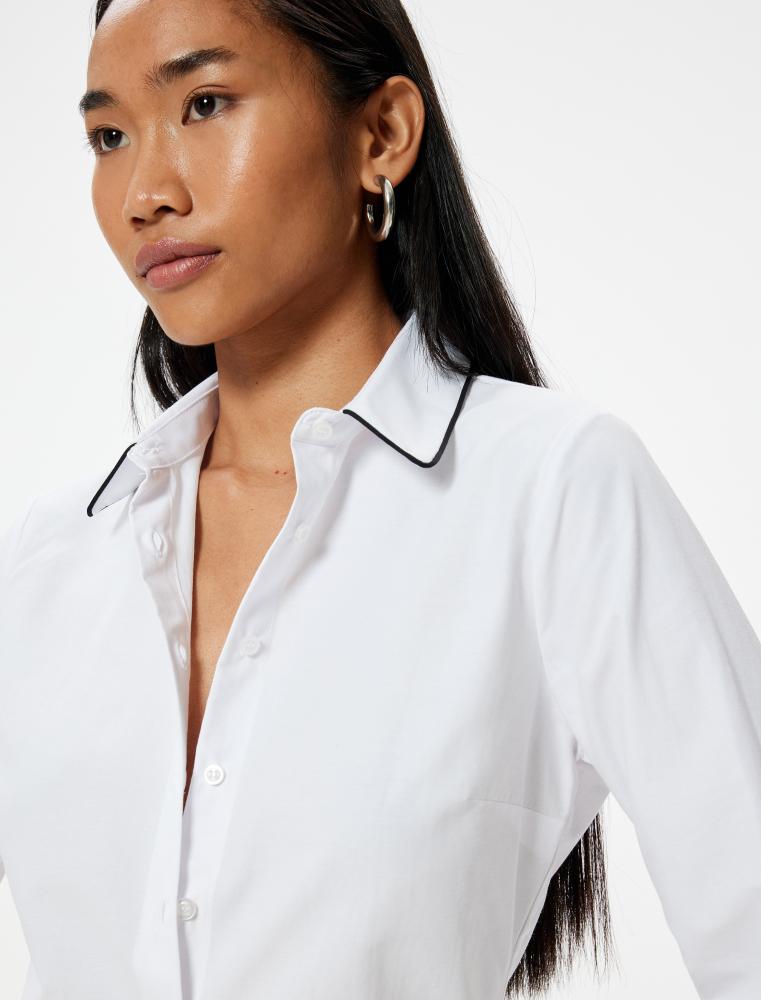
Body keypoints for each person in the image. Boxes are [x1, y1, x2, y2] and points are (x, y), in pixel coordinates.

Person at [1, 1, 759, 998]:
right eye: (109, 137)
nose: (145, 192)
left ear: (382, 134)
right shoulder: (53, 559)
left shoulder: (552, 493)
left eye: (206, 103)